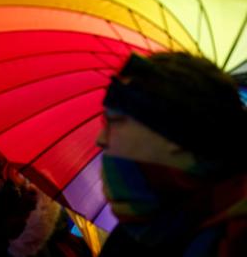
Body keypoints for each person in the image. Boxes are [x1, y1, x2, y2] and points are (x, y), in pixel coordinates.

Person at [97, 52, 247, 256]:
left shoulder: (233, 241)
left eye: (113, 121)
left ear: (175, 131)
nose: (100, 139)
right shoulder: (137, 235)